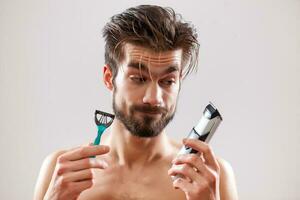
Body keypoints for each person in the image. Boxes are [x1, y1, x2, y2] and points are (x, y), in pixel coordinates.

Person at [34, 5, 238, 200]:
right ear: (109, 78)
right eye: (138, 78)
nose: (154, 98)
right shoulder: (60, 171)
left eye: (168, 81)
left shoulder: (211, 178)